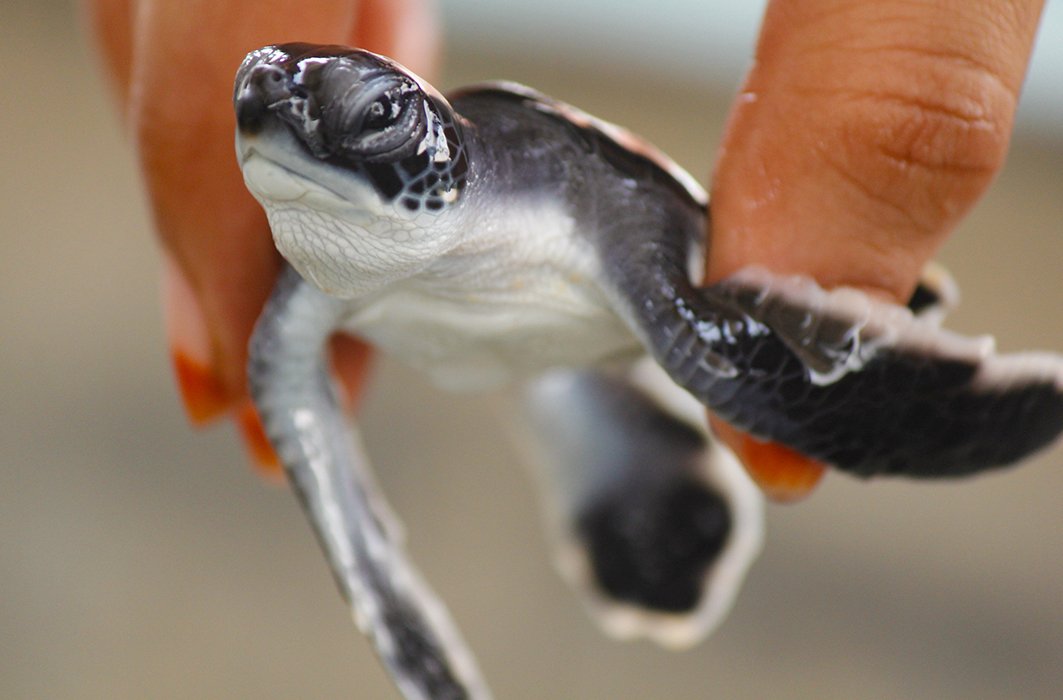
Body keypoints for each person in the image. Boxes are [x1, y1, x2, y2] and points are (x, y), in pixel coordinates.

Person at [86, 0, 1046, 485]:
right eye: (254, 110)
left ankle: (638, 450)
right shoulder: (326, 243)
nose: (277, 129)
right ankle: (624, 465)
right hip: (436, 300)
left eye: (375, 119)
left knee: (735, 369)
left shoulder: (593, 212)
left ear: (432, 146)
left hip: (615, 265)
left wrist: (847, 403)